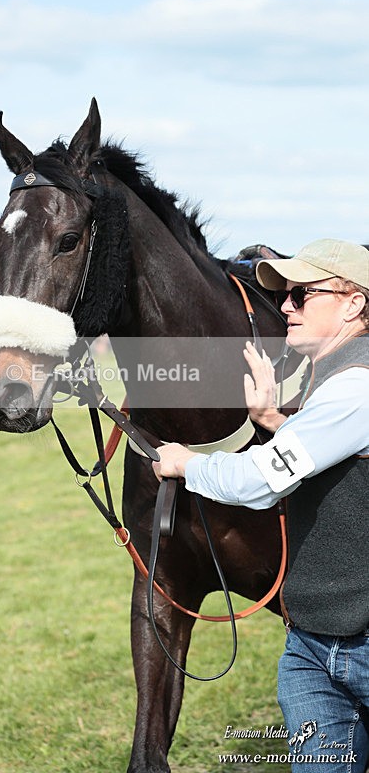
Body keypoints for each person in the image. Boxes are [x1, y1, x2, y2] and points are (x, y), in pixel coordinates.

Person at [153, 238, 369, 772]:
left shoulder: (356, 386)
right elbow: (331, 448)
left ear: (354, 304)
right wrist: (275, 420)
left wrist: (188, 465)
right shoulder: (339, 378)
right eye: (284, 297)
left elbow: (262, 481)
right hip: (313, 645)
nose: (286, 308)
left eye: (302, 295)